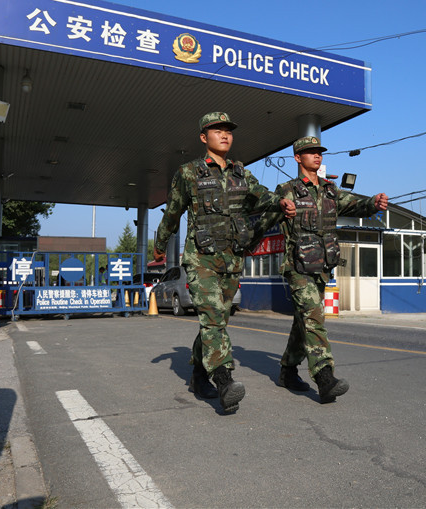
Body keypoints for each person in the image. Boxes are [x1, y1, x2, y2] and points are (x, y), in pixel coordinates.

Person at [153, 112, 296, 414]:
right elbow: (173, 212)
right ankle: (224, 379)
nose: (225, 135)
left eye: (228, 130)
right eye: (217, 130)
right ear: (204, 138)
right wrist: (159, 246)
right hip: (200, 258)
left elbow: (261, 196)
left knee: (216, 321)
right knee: (214, 318)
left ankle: (197, 374)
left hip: (231, 259)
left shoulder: (241, 173)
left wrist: (280, 202)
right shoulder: (189, 172)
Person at [254, 136, 388, 403]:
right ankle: (325, 377)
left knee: (303, 321)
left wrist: (374, 202)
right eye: (310, 152)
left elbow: (355, 203)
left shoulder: (330, 190)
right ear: (297, 158)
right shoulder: (286, 190)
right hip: (298, 267)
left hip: (322, 266)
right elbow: (265, 215)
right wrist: (244, 243)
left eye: (319, 152)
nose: (317, 156)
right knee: (314, 317)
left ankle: (287, 371)